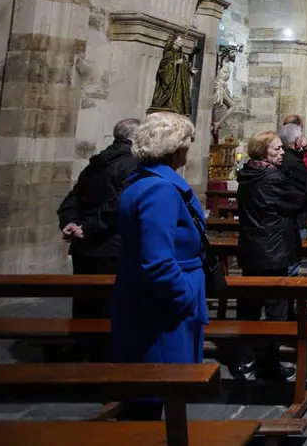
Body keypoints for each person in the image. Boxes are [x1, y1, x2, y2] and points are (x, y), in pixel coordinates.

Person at [111, 111, 207, 420]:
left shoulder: (147, 181)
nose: (189, 149)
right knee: (156, 387)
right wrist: (185, 297)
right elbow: (159, 262)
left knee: (156, 388)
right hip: (163, 308)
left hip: (156, 301)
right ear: (175, 147)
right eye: (187, 142)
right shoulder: (159, 190)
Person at [233, 130, 305, 382]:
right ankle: (269, 364)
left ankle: (244, 359)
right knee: (276, 310)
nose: (282, 152)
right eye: (276, 149)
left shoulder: (249, 174)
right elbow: (297, 201)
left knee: (249, 306)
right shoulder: (272, 178)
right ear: (263, 152)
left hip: (252, 249)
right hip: (273, 251)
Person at [56, 117, 141, 326]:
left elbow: (73, 197)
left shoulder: (97, 162)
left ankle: (83, 350)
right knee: (108, 308)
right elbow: (119, 204)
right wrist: (86, 227)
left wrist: (70, 222)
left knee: (85, 304)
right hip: (111, 246)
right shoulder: (133, 164)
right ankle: (102, 354)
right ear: (137, 138)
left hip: (84, 246)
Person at [279, 122, 307, 275]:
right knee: (292, 259)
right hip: (296, 218)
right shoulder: (296, 163)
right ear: (297, 141)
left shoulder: (282, 160)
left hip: (284, 218)